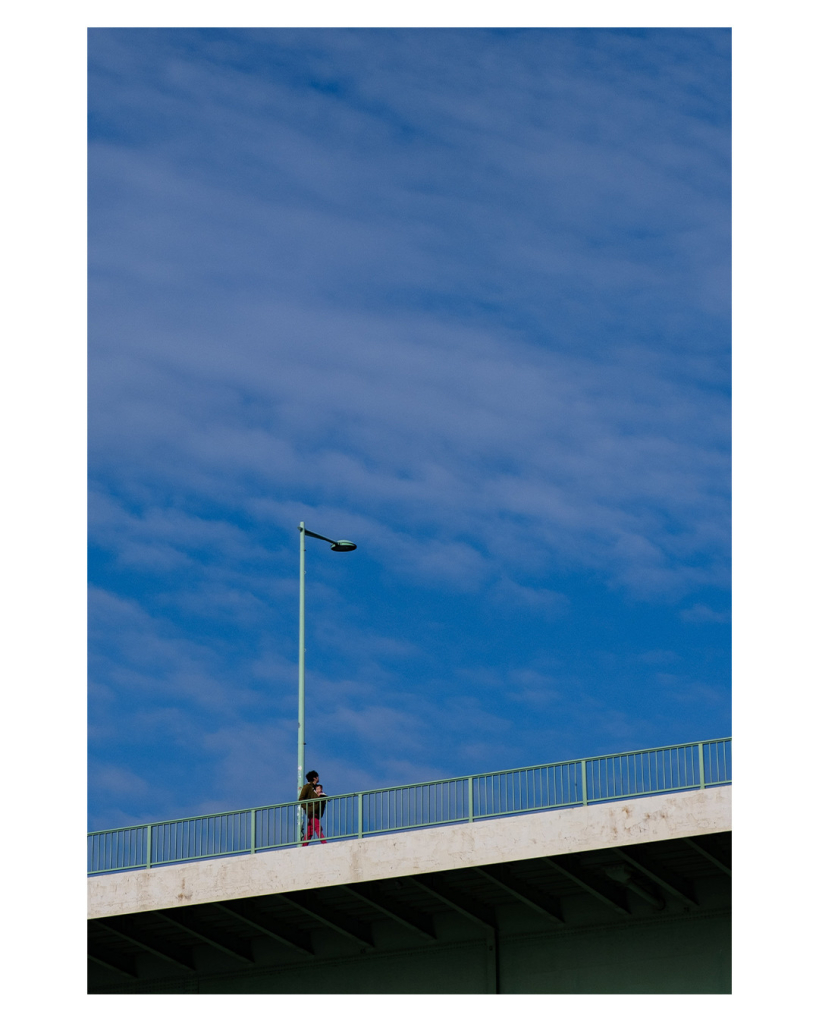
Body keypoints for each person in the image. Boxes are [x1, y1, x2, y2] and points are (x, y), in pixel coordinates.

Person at [299, 770, 327, 846]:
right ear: (315, 778)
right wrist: (308, 808)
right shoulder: (308, 787)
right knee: (318, 827)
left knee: (310, 831)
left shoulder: (315, 788)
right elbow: (301, 799)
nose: (318, 778)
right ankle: (324, 843)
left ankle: (304, 846)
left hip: (316, 812)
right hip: (312, 812)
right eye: (317, 776)